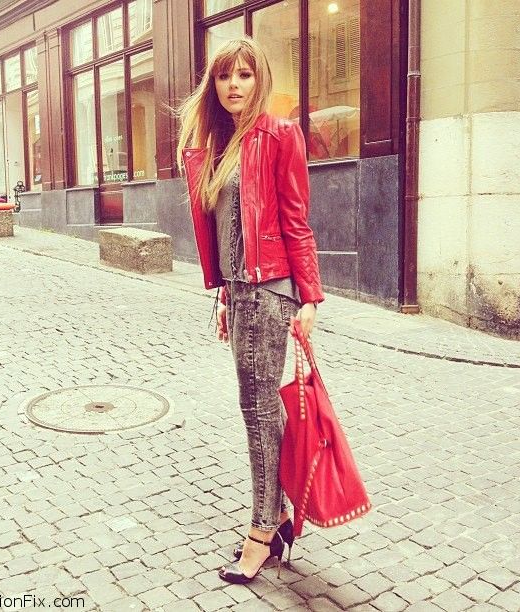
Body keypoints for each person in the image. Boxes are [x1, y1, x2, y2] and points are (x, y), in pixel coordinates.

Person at [177, 37, 324, 584]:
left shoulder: (279, 135)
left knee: (257, 408)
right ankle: (279, 514)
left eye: (243, 74)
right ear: (212, 85)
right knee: (262, 407)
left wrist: (309, 297)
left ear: (259, 79)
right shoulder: (216, 145)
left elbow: (296, 219)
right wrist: (224, 294)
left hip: (270, 289)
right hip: (241, 291)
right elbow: (226, 229)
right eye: (223, 76)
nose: (233, 85)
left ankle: (263, 529)